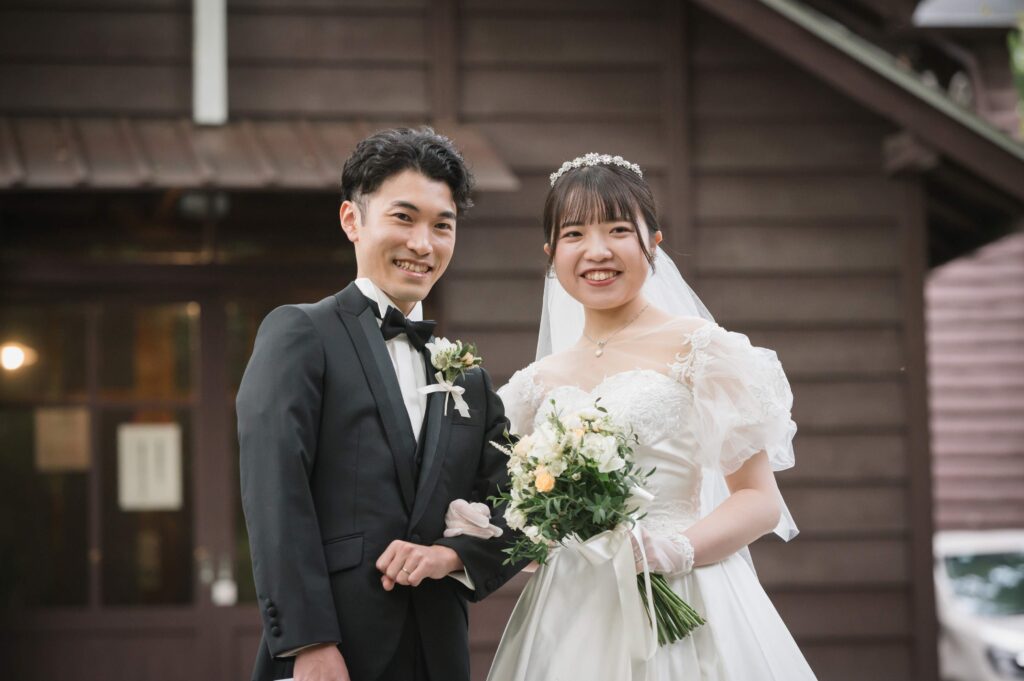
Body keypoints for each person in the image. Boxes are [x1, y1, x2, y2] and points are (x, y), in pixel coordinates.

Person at [445, 153, 818, 680]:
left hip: (688, 590)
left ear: (654, 242)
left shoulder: (704, 350)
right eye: (574, 234)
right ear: (551, 254)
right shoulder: (534, 386)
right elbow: (526, 524)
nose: (597, 251)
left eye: (618, 230)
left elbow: (759, 501)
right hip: (568, 612)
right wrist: (488, 528)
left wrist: (674, 551)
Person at [237, 127, 520, 681]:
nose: (423, 244)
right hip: (332, 650)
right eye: (404, 218)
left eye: (442, 226)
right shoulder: (301, 334)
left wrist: (452, 555)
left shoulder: (469, 378)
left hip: (438, 653)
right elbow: (275, 493)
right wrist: (309, 644)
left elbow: (521, 510)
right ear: (352, 220)